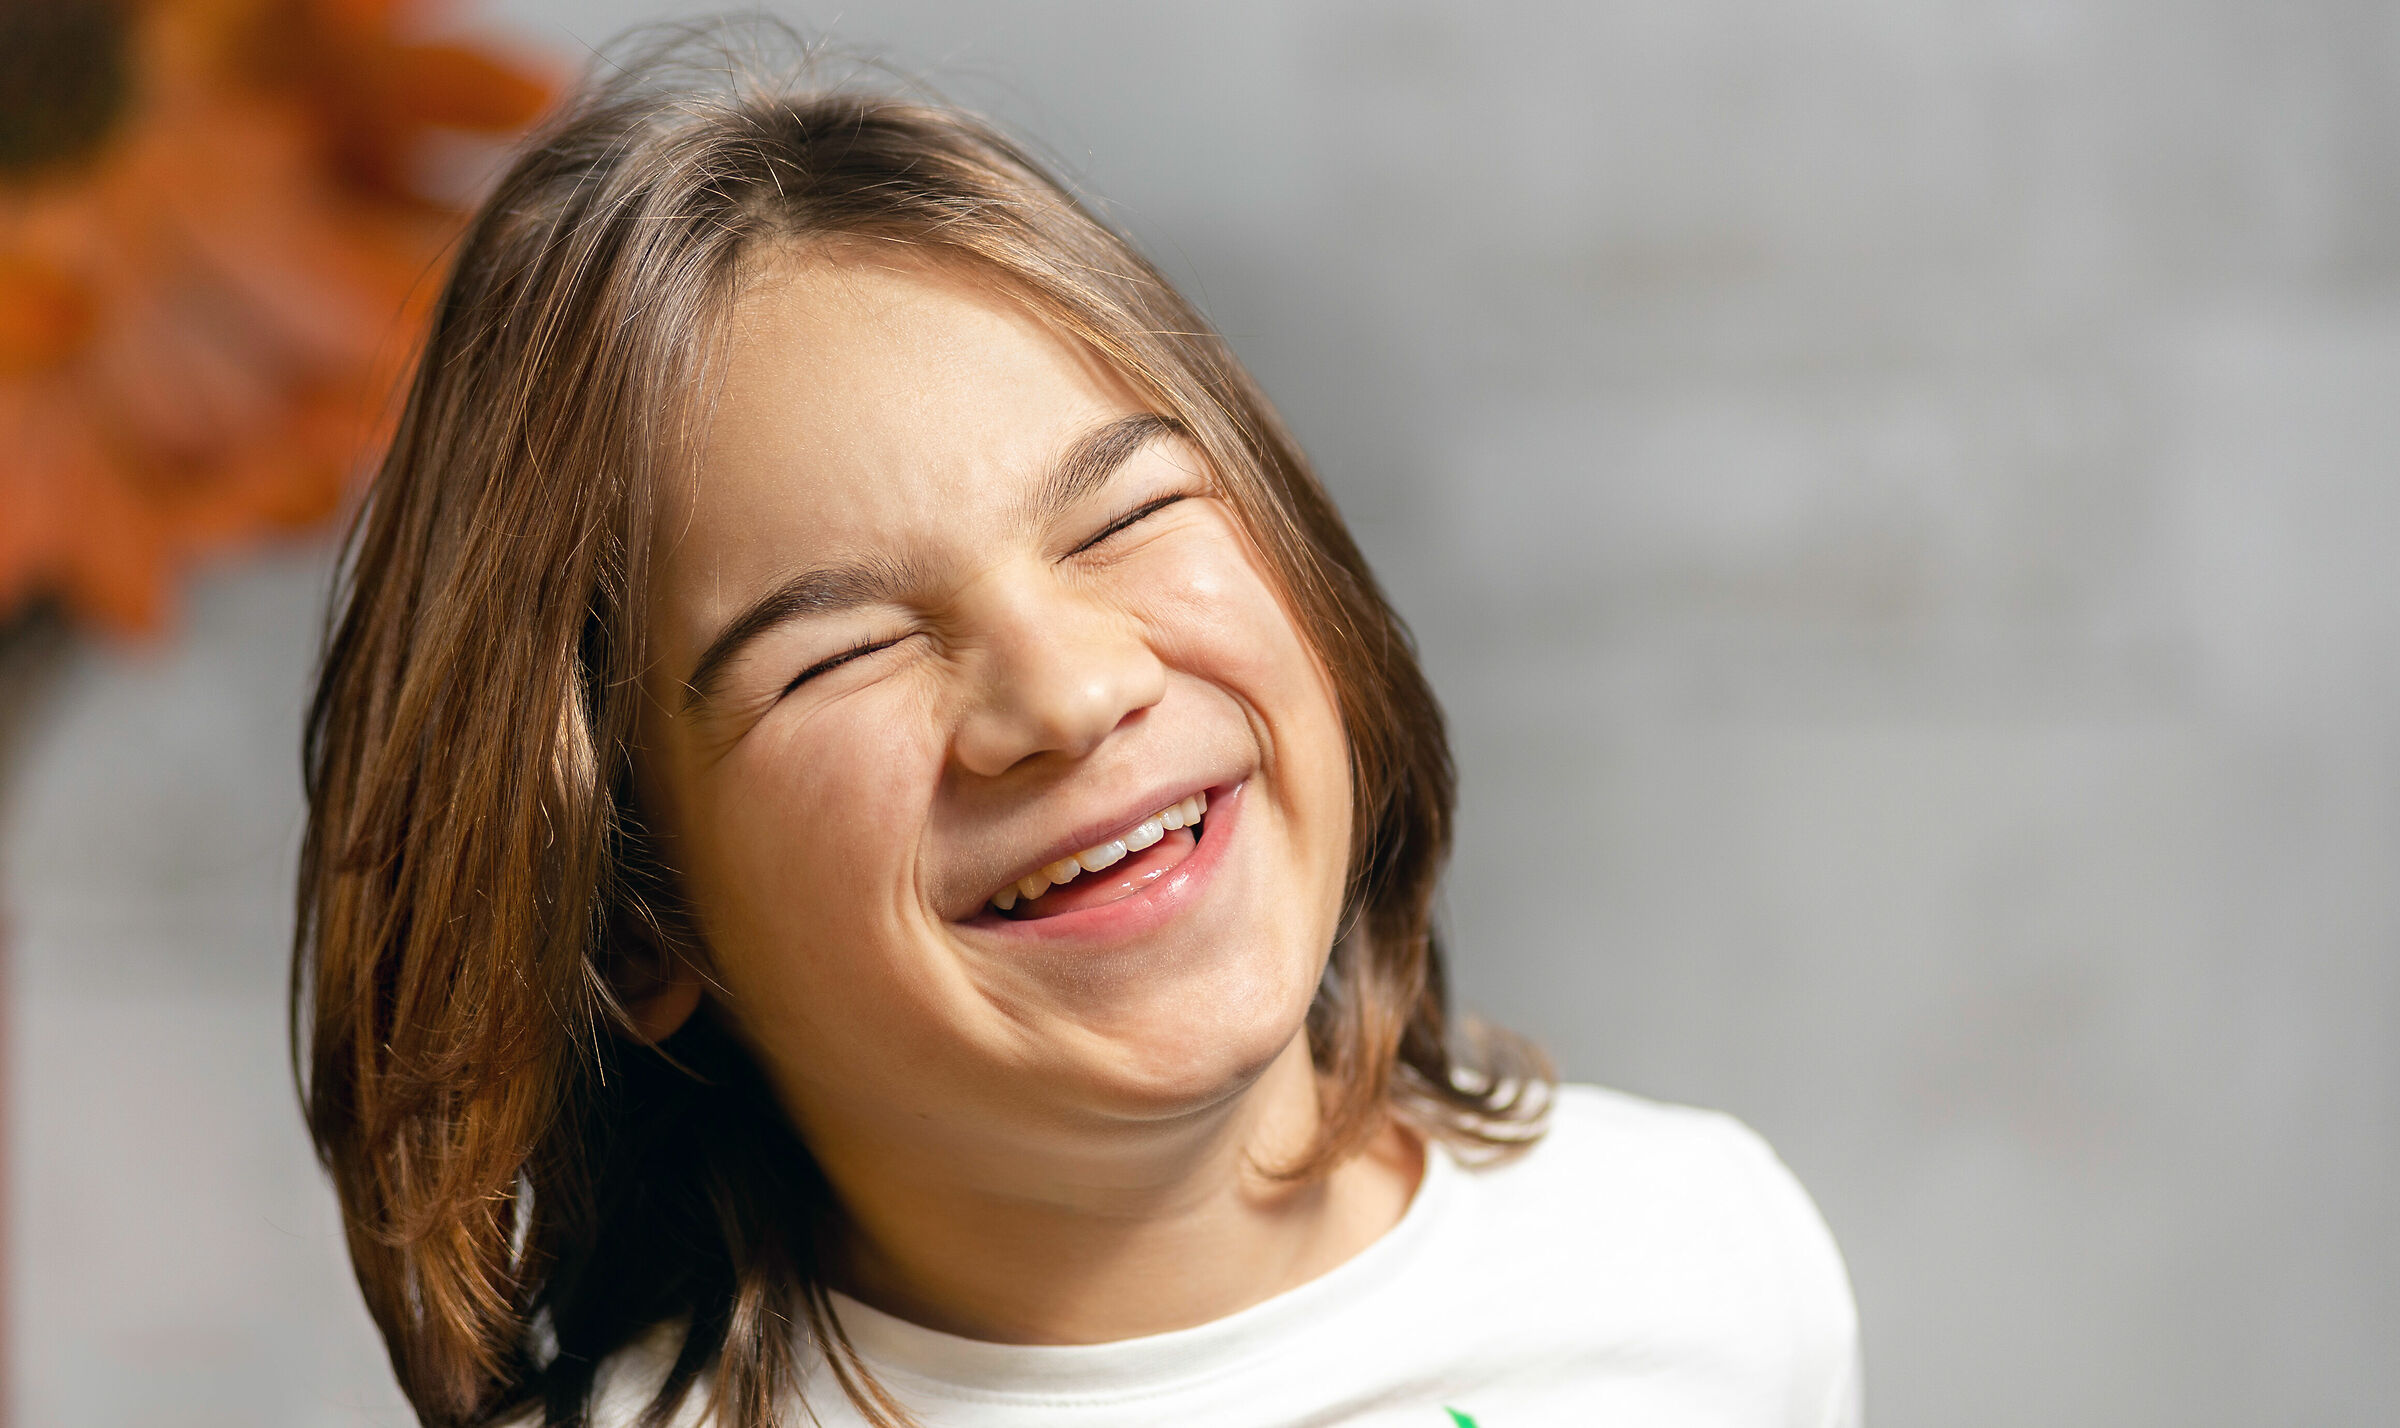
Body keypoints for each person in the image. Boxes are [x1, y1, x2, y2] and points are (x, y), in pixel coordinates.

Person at [293, 26, 1861, 1428]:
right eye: (840, 653)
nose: (1068, 692)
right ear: (636, 923)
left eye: (1125, 514)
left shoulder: (1706, 1265)